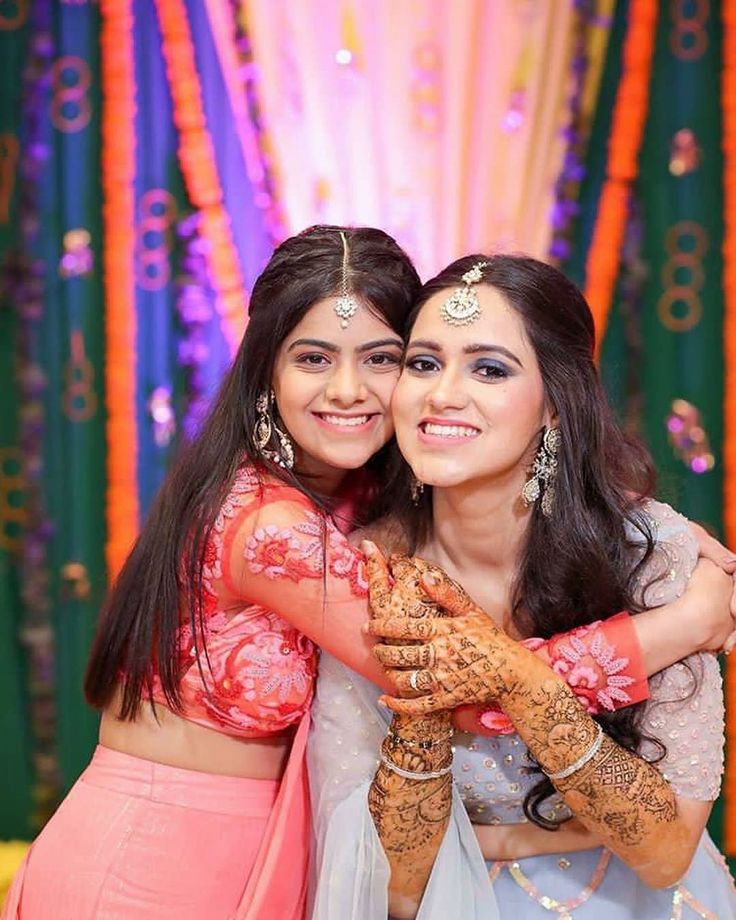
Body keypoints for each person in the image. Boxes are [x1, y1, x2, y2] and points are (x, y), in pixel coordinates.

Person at [3, 231, 731, 920]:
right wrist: (680, 625)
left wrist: (645, 529)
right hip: (161, 859)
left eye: (383, 359)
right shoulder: (278, 531)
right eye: (313, 359)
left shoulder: (353, 495)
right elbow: (467, 687)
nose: (349, 390)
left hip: (262, 853)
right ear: (266, 371)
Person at [308, 254, 736, 919]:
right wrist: (426, 702)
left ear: (556, 407)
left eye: (489, 368)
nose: (443, 394)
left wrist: (516, 680)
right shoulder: (365, 573)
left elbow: (665, 850)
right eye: (423, 363)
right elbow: (392, 884)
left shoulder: (656, 557)